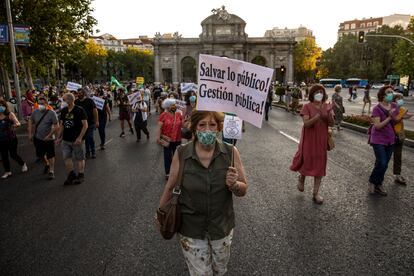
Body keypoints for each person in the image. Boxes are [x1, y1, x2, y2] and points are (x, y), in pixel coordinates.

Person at [157, 110, 247, 276]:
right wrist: (161, 214)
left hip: (221, 228)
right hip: (190, 228)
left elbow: (243, 190)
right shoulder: (182, 153)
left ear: (219, 127)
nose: (207, 130)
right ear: (194, 128)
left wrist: (234, 184)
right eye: (202, 125)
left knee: (219, 270)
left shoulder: (230, 152)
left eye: (212, 125)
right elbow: (170, 186)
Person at [290, 84, 334, 204]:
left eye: (321, 92)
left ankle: (316, 194)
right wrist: (319, 115)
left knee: (320, 165)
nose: (319, 94)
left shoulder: (326, 106)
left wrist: (329, 113)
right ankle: (302, 177)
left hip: (321, 140)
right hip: (309, 140)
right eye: (316, 92)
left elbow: (332, 123)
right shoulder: (307, 107)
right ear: (312, 94)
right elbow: (307, 124)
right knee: (307, 161)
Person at [368, 86, 398, 196]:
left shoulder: (394, 106)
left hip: (391, 139)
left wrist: (402, 115)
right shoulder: (376, 108)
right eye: (388, 92)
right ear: (382, 95)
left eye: (391, 92)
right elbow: (378, 126)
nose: (391, 94)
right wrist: (390, 117)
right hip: (378, 139)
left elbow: (396, 121)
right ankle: (372, 181)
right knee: (382, 162)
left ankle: (379, 184)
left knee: (383, 164)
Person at [57, 93, 88, 185]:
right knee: (66, 158)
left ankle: (81, 175)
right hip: (66, 139)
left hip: (77, 140)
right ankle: (71, 175)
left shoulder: (79, 110)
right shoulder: (63, 111)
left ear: (70, 100)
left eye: (64, 100)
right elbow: (62, 125)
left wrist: (80, 138)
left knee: (79, 158)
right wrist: (59, 137)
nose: (62, 101)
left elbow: (85, 125)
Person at [28, 96, 59, 179]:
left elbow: (56, 126)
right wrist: (30, 133)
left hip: (49, 139)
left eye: (42, 104)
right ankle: (47, 164)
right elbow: (30, 121)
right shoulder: (35, 112)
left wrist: (50, 136)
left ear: (46, 104)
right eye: (39, 103)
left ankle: (51, 171)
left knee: (50, 155)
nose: (40, 105)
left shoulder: (52, 113)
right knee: (40, 155)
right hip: (38, 138)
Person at [0, 99, 28, 179]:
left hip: (11, 138)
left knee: (13, 154)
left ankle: (23, 164)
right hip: (1, 140)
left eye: (0, 105)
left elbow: (18, 123)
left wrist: (15, 125)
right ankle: (8, 171)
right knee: (4, 156)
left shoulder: (9, 114)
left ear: (4, 106)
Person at [156, 98, 183, 180]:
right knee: (167, 156)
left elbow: (182, 124)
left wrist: (186, 119)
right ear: (167, 107)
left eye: (174, 105)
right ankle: (168, 172)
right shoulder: (163, 115)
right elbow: (159, 127)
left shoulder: (178, 114)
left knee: (177, 156)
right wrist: (158, 137)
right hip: (167, 139)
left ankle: (176, 171)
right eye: (172, 105)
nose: (174, 106)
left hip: (177, 138)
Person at [392, 93, 412, 185]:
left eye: (402, 98)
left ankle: (397, 175)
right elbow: (393, 121)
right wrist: (401, 118)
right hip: (389, 135)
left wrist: (407, 116)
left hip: (399, 135)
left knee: (398, 156)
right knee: (384, 159)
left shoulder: (403, 109)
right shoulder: (391, 109)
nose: (400, 100)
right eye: (398, 98)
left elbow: (407, 116)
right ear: (394, 99)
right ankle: (378, 176)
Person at [75, 88, 99, 159]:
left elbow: (95, 111)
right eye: (78, 93)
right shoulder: (76, 102)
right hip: (80, 124)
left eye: (80, 93)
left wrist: (96, 121)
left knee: (89, 137)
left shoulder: (90, 101)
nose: (79, 94)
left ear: (84, 94)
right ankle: (87, 152)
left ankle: (93, 151)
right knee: (84, 138)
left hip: (90, 122)